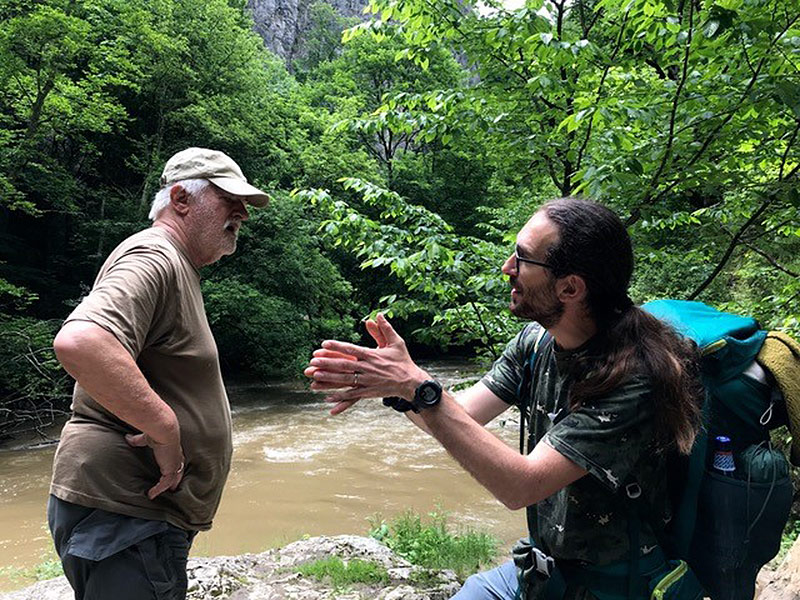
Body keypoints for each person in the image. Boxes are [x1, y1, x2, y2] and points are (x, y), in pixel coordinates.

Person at [305, 197, 703, 599]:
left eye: (522, 258)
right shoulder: (535, 342)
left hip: (618, 585)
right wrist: (397, 386)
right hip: (545, 572)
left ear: (570, 287)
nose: (507, 268)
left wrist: (416, 386)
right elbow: (455, 415)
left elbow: (522, 485)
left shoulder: (636, 377)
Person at [48, 147, 269, 600]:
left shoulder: (174, 265)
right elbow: (81, 341)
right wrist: (166, 430)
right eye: (229, 198)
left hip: (133, 515)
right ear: (180, 200)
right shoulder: (155, 257)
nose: (242, 212)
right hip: (124, 513)